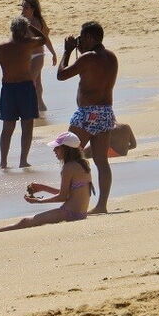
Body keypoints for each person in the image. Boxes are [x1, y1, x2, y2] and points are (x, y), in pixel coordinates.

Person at [0, 132, 93, 234]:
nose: (54, 150)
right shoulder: (82, 165)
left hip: (69, 213)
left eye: (57, 148)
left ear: (66, 149)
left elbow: (63, 197)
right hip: (80, 213)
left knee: (25, 222)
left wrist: (39, 202)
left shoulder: (68, 167)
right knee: (27, 221)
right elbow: (70, 193)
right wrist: (43, 187)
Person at [57, 21, 118, 214]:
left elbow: (61, 75)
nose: (80, 42)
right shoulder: (112, 57)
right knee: (102, 161)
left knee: (68, 155)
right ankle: (102, 205)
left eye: (82, 38)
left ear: (91, 38)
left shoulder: (88, 58)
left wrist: (67, 51)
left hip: (87, 114)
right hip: (106, 112)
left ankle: (71, 199)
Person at [0, 16, 48, 168]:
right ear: (23, 31)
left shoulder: (2, 46)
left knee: (12, 127)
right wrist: (30, 26)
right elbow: (43, 38)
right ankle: (17, 161)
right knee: (20, 126)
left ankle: (7, 162)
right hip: (22, 88)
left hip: (12, 89)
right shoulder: (26, 44)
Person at [20, 0, 57, 112]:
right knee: (37, 82)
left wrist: (53, 52)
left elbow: (46, 38)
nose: (23, 9)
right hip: (25, 57)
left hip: (38, 55)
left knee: (30, 81)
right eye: (22, 7)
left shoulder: (39, 21)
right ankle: (40, 105)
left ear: (33, 9)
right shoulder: (21, 21)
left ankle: (29, 107)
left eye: (26, 7)